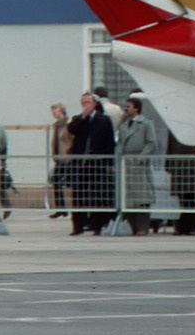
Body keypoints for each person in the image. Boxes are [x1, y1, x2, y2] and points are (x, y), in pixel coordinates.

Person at [68, 91, 117, 235]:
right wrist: (83, 116)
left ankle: (96, 225)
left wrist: (110, 162)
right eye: (83, 103)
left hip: (97, 162)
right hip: (81, 163)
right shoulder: (78, 119)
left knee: (97, 194)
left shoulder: (104, 120)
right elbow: (71, 129)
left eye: (88, 102)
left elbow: (110, 142)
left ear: (95, 104)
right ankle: (78, 226)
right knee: (78, 195)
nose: (85, 105)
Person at [117, 96, 157, 236]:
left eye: (129, 106)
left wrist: (141, 158)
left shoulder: (145, 124)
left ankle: (143, 227)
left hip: (139, 165)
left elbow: (151, 142)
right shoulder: (123, 125)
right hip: (126, 164)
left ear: (136, 108)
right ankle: (132, 226)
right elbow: (120, 143)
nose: (126, 108)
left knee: (142, 197)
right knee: (129, 197)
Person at [48, 103, 74, 218]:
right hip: (58, 158)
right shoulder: (55, 126)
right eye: (52, 110)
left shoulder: (69, 124)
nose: (54, 112)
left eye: (56, 110)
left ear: (62, 110)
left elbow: (71, 140)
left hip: (67, 157)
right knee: (56, 182)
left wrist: (70, 154)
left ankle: (76, 208)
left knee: (71, 183)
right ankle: (61, 208)